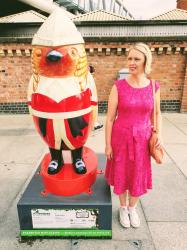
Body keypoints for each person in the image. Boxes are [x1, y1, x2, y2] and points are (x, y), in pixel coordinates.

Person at [105, 43, 163, 228]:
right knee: (121, 172)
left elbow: (158, 113)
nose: (131, 62)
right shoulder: (118, 86)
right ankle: (122, 207)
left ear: (146, 60)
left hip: (143, 140)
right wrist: (107, 145)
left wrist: (159, 133)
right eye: (129, 58)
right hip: (120, 138)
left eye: (136, 59)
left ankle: (132, 208)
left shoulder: (154, 86)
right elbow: (109, 119)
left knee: (138, 173)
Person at [89, 64, 103, 131]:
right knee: (91, 111)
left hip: (93, 97)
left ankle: (94, 124)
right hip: (90, 98)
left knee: (94, 111)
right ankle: (94, 124)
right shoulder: (87, 77)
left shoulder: (89, 76)